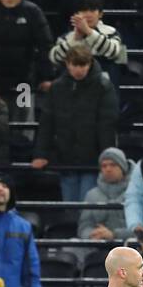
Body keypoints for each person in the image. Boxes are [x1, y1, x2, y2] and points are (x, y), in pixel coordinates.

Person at [32, 45, 118, 203]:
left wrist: (107, 158)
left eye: (83, 65)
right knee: (70, 206)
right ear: (67, 63)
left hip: (93, 159)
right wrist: (40, 154)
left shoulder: (103, 86)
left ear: (90, 63)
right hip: (66, 157)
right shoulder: (57, 87)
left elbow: (107, 125)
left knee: (87, 208)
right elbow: (47, 123)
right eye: (75, 65)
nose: (79, 70)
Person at [78, 148, 131, 241]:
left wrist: (114, 234)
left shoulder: (136, 194)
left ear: (123, 167)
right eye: (104, 166)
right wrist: (91, 234)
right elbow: (84, 226)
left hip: (128, 246)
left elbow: (141, 230)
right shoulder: (91, 194)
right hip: (97, 245)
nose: (108, 169)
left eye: (113, 165)